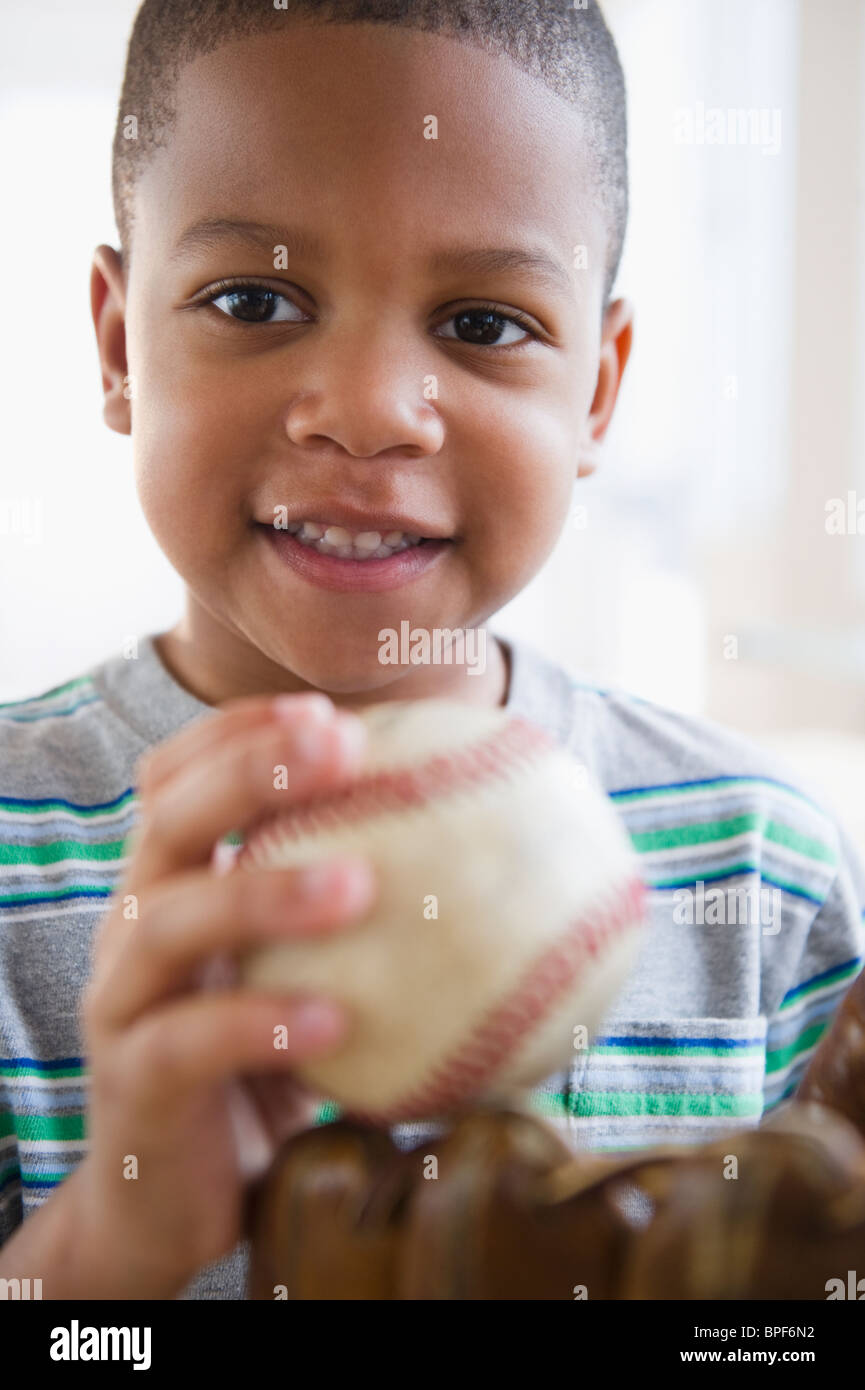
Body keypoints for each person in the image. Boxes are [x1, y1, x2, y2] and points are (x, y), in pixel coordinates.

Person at [1, 0, 861, 1300]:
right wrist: (100, 1254)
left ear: (597, 390)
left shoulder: (760, 861)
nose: (367, 413)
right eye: (254, 298)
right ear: (121, 344)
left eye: (481, 324)